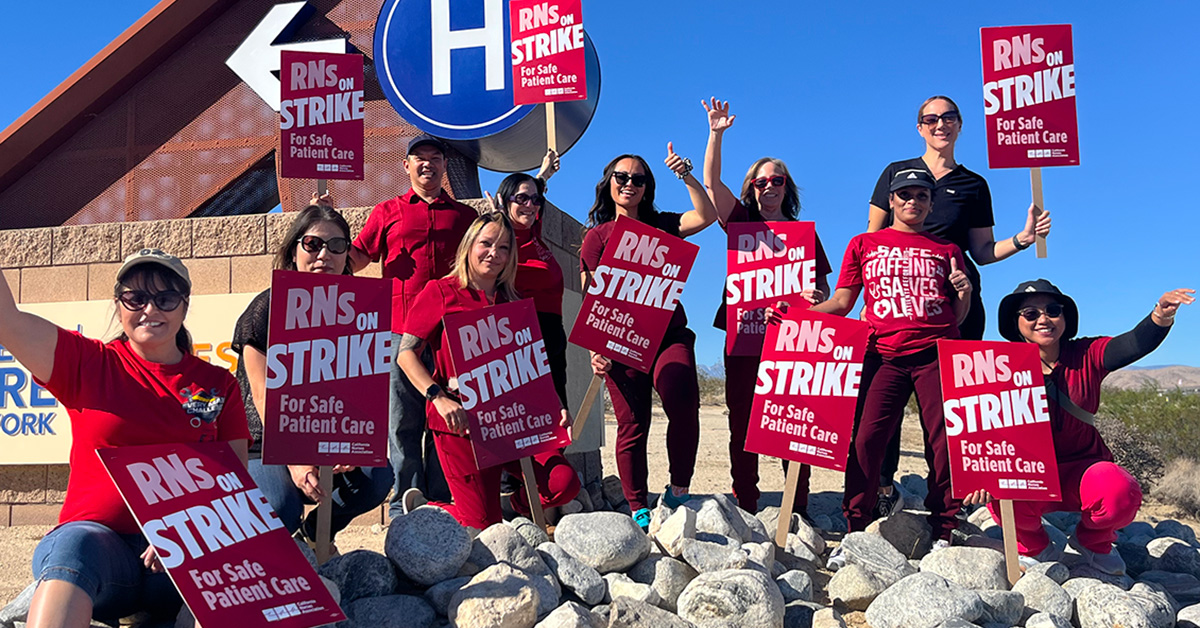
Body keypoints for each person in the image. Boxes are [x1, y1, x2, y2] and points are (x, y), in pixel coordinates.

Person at [4, 250, 250, 627]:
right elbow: (9, 323)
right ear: (119, 306)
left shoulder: (218, 385)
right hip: (100, 555)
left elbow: (233, 482)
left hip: (184, 563)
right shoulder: (87, 362)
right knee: (73, 546)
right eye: (136, 298)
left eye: (165, 298)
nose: (150, 309)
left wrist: (188, 532)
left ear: (184, 307)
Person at [866, 95, 1052, 517]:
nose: (939, 125)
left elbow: (982, 251)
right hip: (894, 307)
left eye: (948, 117)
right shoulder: (895, 173)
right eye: (930, 119)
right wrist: (867, 298)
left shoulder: (973, 185)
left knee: (954, 407)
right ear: (919, 127)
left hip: (957, 306)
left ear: (960, 124)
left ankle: (957, 497)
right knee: (885, 403)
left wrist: (1023, 238)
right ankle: (881, 488)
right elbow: (871, 239)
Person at [963, 281, 1194, 575]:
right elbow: (979, 427)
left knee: (1120, 492)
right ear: (1015, 322)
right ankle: (1034, 547)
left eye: (1053, 310)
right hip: (1028, 474)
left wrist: (1161, 316)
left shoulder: (1087, 354)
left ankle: (1093, 542)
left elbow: (1132, 343)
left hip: (1084, 470)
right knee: (1002, 489)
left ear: (1065, 317)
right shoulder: (994, 366)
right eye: (1030, 313)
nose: (1043, 319)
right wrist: (977, 475)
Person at [805, 169, 972, 565]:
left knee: (945, 443)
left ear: (932, 203)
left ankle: (944, 528)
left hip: (935, 353)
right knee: (866, 441)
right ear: (891, 201)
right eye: (905, 195)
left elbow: (957, 316)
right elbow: (843, 301)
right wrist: (800, 315)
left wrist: (963, 295)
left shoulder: (947, 248)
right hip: (882, 354)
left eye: (921, 195)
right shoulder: (865, 243)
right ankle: (857, 528)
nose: (913, 201)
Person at [395, 212, 579, 529]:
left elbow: (529, 371)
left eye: (504, 247)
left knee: (563, 483)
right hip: (462, 421)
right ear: (469, 245)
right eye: (486, 243)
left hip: (512, 420)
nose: (494, 253)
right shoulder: (440, 292)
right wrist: (437, 397)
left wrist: (555, 412)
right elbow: (406, 353)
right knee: (479, 523)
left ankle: (514, 506)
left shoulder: (514, 302)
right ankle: (430, 510)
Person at [232, 203, 393, 547]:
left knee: (378, 477)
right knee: (278, 505)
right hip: (265, 445)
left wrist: (354, 443)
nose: (325, 254)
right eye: (313, 244)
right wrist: (295, 458)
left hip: (330, 436)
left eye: (337, 246)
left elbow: (362, 394)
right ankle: (280, 553)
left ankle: (317, 534)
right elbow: (261, 394)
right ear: (294, 250)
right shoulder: (266, 307)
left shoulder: (360, 313)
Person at [700, 97, 832, 515]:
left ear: (787, 188)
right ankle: (747, 501)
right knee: (743, 422)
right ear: (751, 189)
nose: (770, 187)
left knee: (793, 423)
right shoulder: (740, 223)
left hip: (792, 343)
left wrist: (814, 301)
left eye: (777, 181)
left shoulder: (804, 235)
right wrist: (716, 135)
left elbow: (826, 292)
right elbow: (711, 183)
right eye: (761, 182)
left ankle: (798, 504)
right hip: (744, 340)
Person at [581, 145, 718, 530]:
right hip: (620, 341)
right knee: (632, 423)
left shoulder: (661, 224)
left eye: (638, 179)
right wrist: (596, 349)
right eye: (621, 177)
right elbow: (591, 296)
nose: (629, 184)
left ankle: (678, 490)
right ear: (609, 184)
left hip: (668, 334)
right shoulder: (597, 237)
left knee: (682, 400)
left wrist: (686, 175)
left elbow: (706, 216)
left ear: (647, 187)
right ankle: (637, 505)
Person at [349, 135, 478, 517]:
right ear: (406, 166)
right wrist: (330, 227)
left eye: (435, 158)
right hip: (400, 332)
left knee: (447, 416)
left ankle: (441, 497)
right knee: (402, 419)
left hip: (449, 335)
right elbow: (355, 259)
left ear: (444, 166)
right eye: (419, 158)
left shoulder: (465, 218)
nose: (427, 165)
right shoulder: (386, 211)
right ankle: (404, 498)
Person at [485, 150, 569, 407]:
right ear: (505, 201)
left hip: (553, 336)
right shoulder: (500, 242)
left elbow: (534, 193)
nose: (530, 205)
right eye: (521, 199)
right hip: (519, 338)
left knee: (556, 421)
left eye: (535, 200)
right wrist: (497, 223)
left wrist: (544, 173)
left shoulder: (534, 231)